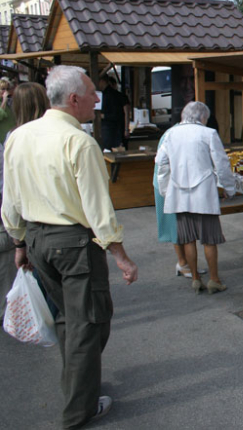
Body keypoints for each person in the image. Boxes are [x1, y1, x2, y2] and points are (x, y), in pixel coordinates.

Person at [2, 66, 138, 429]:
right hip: (74, 242)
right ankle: (79, 411)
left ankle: (80, 382)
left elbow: (10, 196)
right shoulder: (78, 142)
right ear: (74, 99)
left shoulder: (19, 136)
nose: (98, 99)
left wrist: (19, 241)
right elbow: (98, 208)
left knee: (68, 319)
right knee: (90, 323)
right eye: (92, 93)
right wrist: (121, 256)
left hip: (37, 238)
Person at [156, 101, 235, 295]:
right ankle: (214, 280)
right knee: (209, 239)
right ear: (202, 117)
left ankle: (195, 279)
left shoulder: (170, 134)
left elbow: (161, 163)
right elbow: (221, 163)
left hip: (179, 194)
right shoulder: (208, 133)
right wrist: (228, 188)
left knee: (188, 239)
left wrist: (165, 190)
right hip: (204, 194)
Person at [0, 82, 51, 320]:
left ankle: (34, 312)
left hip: (26, 215)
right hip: (53, 215)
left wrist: (16, 238)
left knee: (30, 267)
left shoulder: (13, 137)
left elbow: (8, 188)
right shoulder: (56, 133)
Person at [153, 127, 203, 279]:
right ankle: (182, 263)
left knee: (183, 226)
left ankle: (188, 263)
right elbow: (163, 164)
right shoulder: (174, 134)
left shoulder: (182, 132)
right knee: (175, 226)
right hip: (168, 184)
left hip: (176, 183)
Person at [99, 75, 131, 150]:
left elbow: (124, 113)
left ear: (102, 81)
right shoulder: (106, 95)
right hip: (115, 130)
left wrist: (102, 116)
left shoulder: (110, 96)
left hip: (111, 131)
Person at [0, 77, 16, 142]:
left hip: (11, 135)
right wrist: (4, 101)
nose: (5, 91)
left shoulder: (9, 100)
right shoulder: (4, 101)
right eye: (2, 89)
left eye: (7, 89)